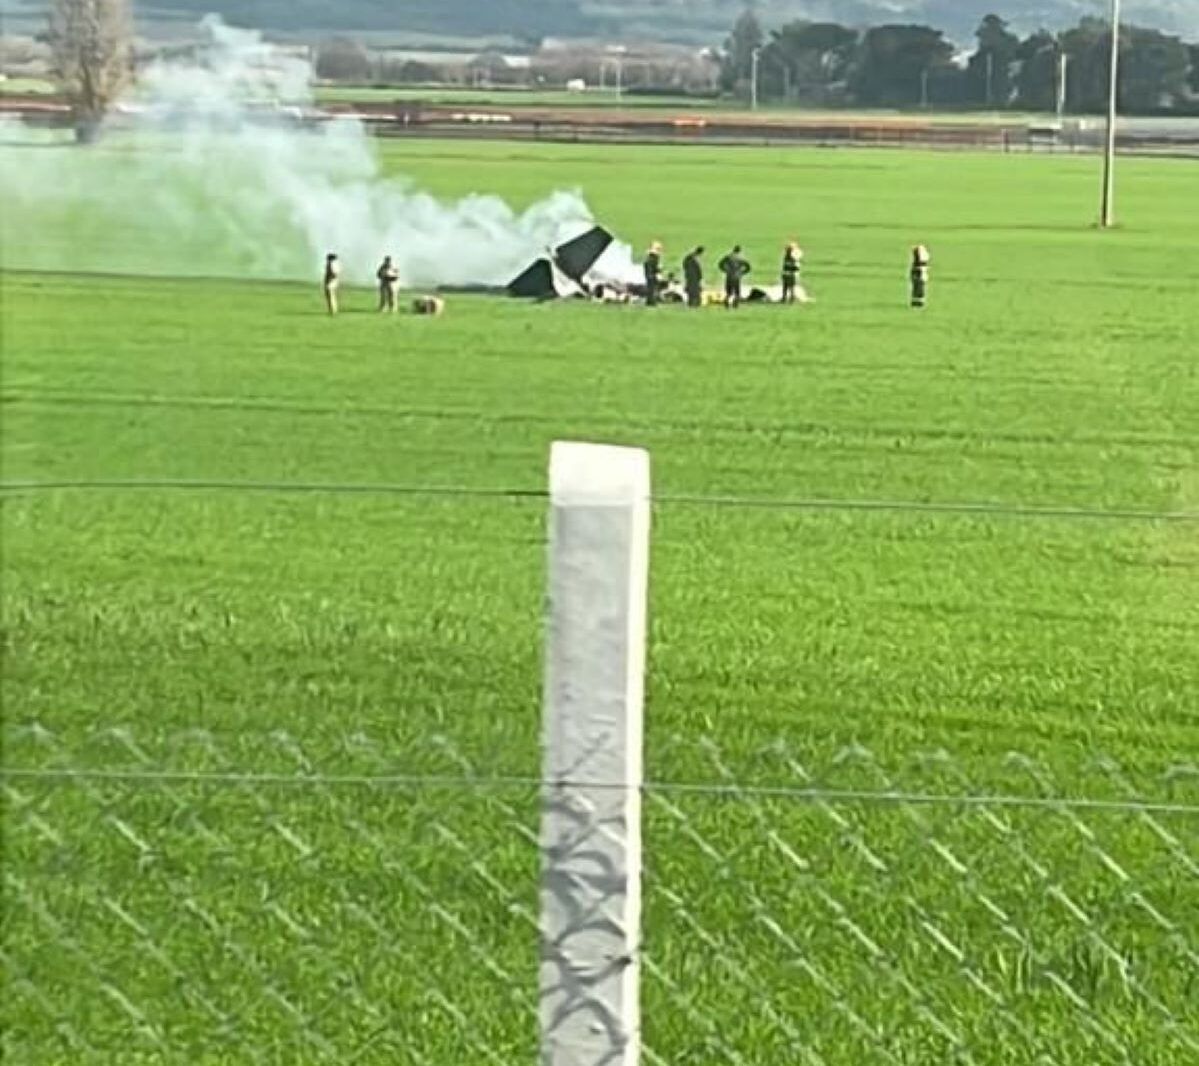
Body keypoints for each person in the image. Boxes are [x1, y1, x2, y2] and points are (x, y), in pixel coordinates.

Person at [717, 245, 751, 310]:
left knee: (729, 292)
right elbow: (748, 267)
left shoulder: (728, 257)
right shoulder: (741, 258)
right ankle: (735, 305)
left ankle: (726, 303)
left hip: (729, 276)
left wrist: (725, 270)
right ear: (739, 251)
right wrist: (742, 273)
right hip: (736, 277)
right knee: (737, 293)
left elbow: (720, 264)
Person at [643, 241, 663, 307]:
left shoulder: (650, 258)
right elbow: (652, 268)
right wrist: (657, 273)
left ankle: (650, 301)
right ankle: (651, 302)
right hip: (651, 275)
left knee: (651, 289)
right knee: (652, 289)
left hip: (650, 275)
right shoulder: (653, 259)